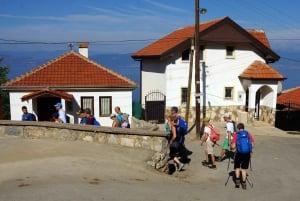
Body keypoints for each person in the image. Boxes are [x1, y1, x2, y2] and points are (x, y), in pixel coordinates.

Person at [231, 123, 254, 189]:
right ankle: (244, 184)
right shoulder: (248, 134)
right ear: (243, 128)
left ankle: (237, 182)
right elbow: (252, 144)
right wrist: (250, 151)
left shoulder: (236, 135)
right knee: (244, 169)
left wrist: (231, 147)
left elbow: (233, 146)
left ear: (238, 128)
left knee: (237, 167)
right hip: (247, 154)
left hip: (239, 153)